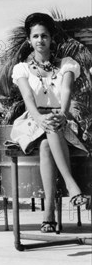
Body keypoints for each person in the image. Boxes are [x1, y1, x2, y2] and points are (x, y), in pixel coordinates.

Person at [10, 12, 89, 233]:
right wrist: (41, 118)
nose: (40, 40)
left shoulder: (67, 64)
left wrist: (62, 114)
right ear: (29, 40)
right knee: (49, 127)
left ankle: (49, 214)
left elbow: (66, 91)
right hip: (32, 120)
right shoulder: (22, 69)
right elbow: (28, 100)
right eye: (35, 36)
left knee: (48, 141)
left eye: (44, 35)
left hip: (60, 119)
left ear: (51, 38)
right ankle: (71, 186)